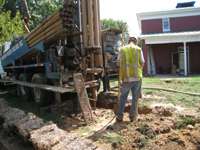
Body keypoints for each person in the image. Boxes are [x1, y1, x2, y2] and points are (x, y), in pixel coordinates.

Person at [116, 36, 145, 122]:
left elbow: (117, 63)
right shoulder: (138, 49)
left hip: (126, 78)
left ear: (128, 41)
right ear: (135, 43)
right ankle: (133, 117)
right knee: (135, 98)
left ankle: (119, 116)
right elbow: (142, 63)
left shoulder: (122, 50)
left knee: (123, 97)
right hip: (137, 78)